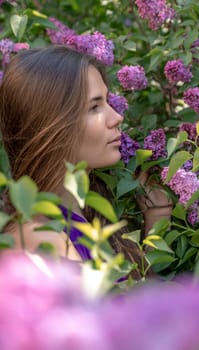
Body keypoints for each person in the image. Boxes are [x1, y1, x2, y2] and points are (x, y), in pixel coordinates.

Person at [0, 45, 172, 274]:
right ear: (52, 125)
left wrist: (157, 218)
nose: (117, 117)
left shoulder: (82, 214)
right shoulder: (42, 239)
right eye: (94, 107)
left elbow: (137, 299)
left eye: (107, 101)